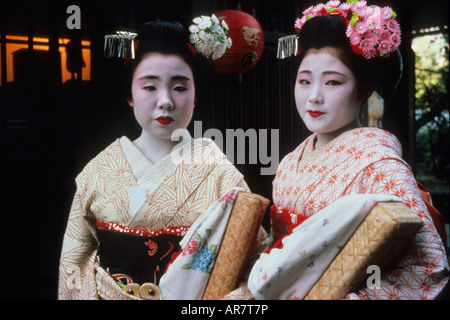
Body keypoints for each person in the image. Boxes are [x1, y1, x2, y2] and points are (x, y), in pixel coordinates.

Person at [248, 1, 449, 299]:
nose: (313, 97)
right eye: (304, 81)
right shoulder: (292, 161)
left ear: (364, 89)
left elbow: (427, 268)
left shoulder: (380, 164)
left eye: (332, 82)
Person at [58, 20, 269, 300]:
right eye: (149, 87)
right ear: (129, 94)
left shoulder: (221, 174)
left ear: (196, 96)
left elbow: (257, 265)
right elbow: (74, 264)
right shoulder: (98, 170)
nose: (166, 100)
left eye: (180, 88)